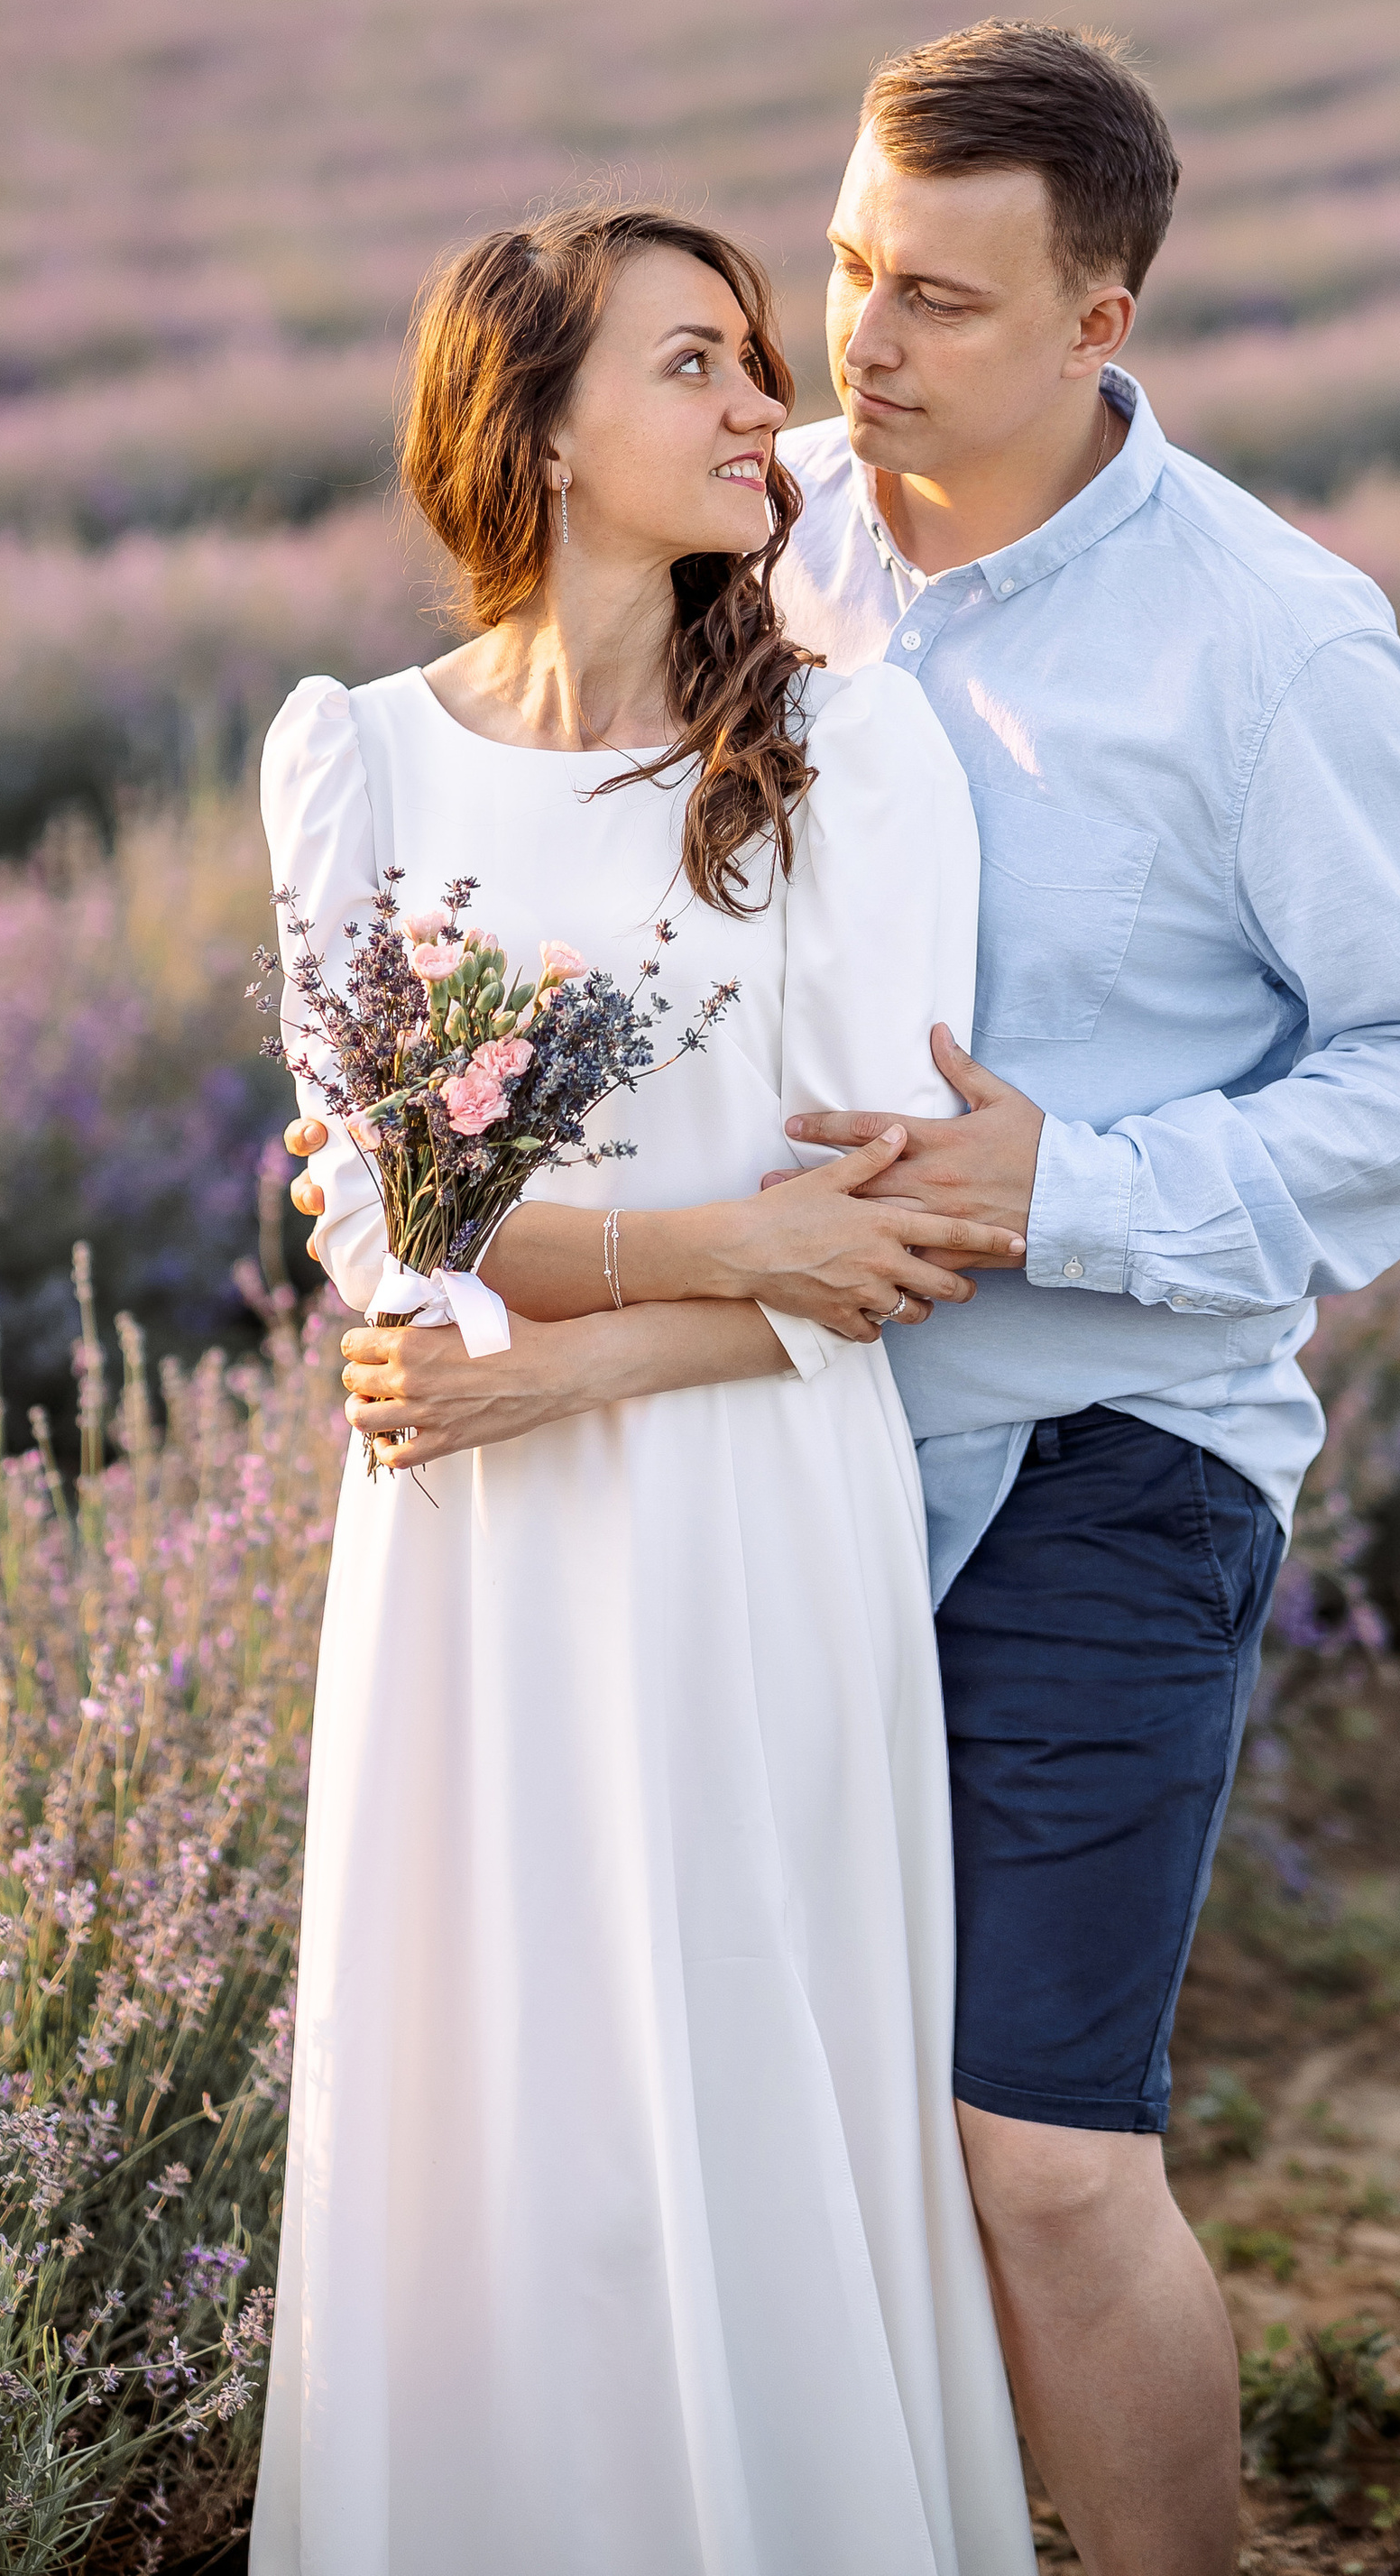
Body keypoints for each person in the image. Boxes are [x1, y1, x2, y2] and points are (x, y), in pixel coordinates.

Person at [310, 25, 1400, 2576]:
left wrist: (1064, 1186)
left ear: (1105, 317)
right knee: (759, 2139)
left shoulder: (1271, 643)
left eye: (942, 304)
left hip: (1111, 1445)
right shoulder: (775, 560)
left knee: (1040, 2160)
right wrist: (422, 1187)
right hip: (779, 1463)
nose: (855, 346)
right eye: (850, 269)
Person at [251, 206, 1038, 2576]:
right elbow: (383, 1227)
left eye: (754, 360)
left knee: (732, 2078)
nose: (760, 410)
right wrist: (702, 1250)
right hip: (467, 1542)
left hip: (736, 1515)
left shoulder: (845, 747)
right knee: (492, 2110)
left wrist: (562, 1357)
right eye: (694, 366)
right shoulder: (353, 760)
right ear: (541, 424)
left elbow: (887, 1239)